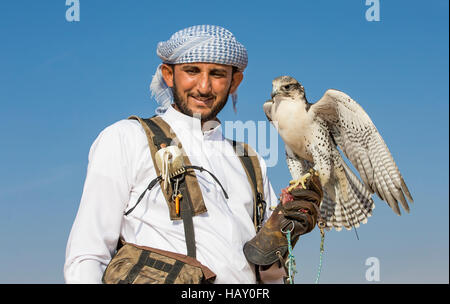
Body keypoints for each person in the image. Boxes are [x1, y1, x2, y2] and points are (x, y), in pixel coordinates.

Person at [64, 25, 322, 284]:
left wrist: (276, 242)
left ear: (235, 81)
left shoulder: (249, 161)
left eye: (218, 74)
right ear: (168, 74)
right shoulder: (126, 138)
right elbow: (87, 255)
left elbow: (269, 277)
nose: (204, 86)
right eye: (192, 71)